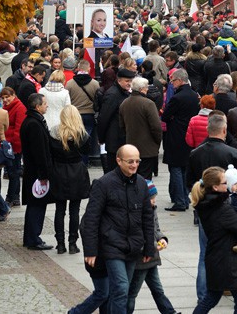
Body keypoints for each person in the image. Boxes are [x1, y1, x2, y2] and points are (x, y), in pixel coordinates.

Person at [80, 144, 156, 313]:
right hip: (111, 245)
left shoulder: (142, 184)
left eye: (137, 161)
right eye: (130, 161)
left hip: (133, 246)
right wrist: (90, 250)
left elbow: (147, 218)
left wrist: (149, 248)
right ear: (118, 161)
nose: (135, 165)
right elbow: (91, 219)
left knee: (122, 291)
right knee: (121, 288)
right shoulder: (103, 184)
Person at [190, 166, 237, 313]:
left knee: (211, 298)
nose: (227, 186)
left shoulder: (205, 205)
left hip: (216, 258)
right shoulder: (222, 208)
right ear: (215, 187)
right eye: (224, 183)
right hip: (230, 261)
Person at [126, 180, 178, 314]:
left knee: (157, 289)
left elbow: (156, 229)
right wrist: (155, 246)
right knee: (132, 292)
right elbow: (139, 237)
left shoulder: (152, 210)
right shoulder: (138, 213)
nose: (154, 202)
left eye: (154, 199)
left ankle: (169, 311)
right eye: (151, 199)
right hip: (142, 259)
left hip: (152, 257)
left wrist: (162, 238)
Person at [50, 105, 91, 255]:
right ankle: (72, 243)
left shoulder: (54, 133)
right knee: (75, 210)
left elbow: (50, 152)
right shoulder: (81, 134)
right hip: (76, 171)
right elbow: (86, 151)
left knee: (59, 210)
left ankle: (60, 243)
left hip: (59, 171)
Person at [21, 93, 55, 249]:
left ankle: (32, 237)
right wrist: (44, 175)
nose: (47, 105)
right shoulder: (34, 124)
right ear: (37, 106)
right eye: (45, 103)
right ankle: (33, 238)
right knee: (37, 205)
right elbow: (40, 152)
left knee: (35, 206)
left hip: (34, 171)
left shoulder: (34, 121)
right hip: (36, 173)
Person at [162, 69, 199, 211]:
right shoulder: (194, 95)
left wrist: (171, 117)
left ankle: (179, 201)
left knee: (176, 167)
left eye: (173, 81)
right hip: (189, 134)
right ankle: (184, 197)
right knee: (184, 167)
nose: (172, 84)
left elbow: (165, 116)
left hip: (176, 134)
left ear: (179, 80)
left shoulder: (177, 98)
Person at [119, 76, 163, 180]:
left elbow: (122, 126)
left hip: (131, 147)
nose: (147, 89)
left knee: (132, 176)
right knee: (145, 178)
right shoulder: (148, 104)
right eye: (146, 87)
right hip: (147, 149)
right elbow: (156, 127)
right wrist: (157, 142)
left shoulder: (124, 103)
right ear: (141, 89)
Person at [97, 67, 135, 173]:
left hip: (121, 138)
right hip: (115, 139)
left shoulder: (123, 92)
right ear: (119, 80)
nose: (129, 83)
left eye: (131, 81)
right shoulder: (113, 94)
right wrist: (101, 138)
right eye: (127, 81)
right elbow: (104, 117)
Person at [1, 86, 26, 206]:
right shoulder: (7, 107)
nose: (5, 100)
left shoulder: (19, 107)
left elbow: (19, 129)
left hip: (14, 146)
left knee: (13, 173)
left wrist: (16, 147)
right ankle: (15, 197)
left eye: (7, 97)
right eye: (3, 98)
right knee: (13, 172)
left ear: (14, 95)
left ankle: (10, 198)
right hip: (9, 144)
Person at [41, 69, 71, 137]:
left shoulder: (42, 91)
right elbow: (67, 110)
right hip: (60, 123)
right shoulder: (65, 93)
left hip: (44, 123)